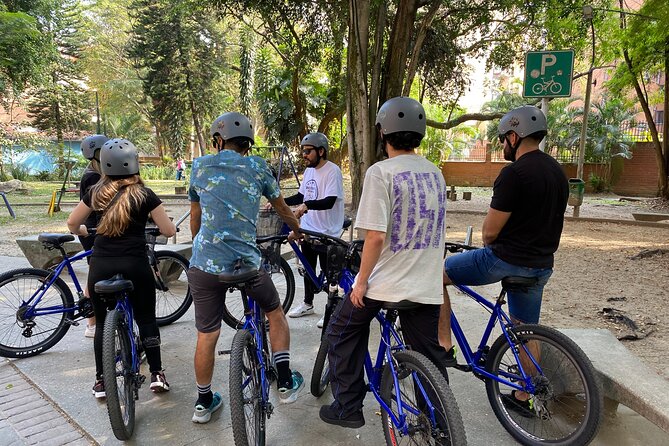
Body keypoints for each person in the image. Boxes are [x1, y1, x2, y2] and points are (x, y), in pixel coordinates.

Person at [319, 96, 452, 428]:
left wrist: (362, 281)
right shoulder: (435, 173)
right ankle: (439, 424)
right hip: (427, 285)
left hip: (388, 284)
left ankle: (348, 407)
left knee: (340, 330)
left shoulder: (381, 172)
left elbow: (375, 237)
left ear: (383, 133)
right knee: (431, 359)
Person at [439, 105, 568, 415]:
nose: (502, 146)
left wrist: (488, 244)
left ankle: (442, 345)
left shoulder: (514, 173)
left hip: (505, 260)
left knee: (435, 272)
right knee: (526, 329)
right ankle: (525, 395)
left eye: (502, 140)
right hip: (541, 266)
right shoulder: (558, 172)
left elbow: (489, 233)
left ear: (514, 135)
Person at [188, 111, 305, 424]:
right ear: (248, 145)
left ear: (218, 140)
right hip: (246, 263)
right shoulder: (257, 166)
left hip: (205, 265)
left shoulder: (199, 166)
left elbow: (195, 217)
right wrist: (296, 228)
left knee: (207, 334)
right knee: (275, 312)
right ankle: (284, 381)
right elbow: (281, 207)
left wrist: (202, 245)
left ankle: (203, 402)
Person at [67, 138, 176, 399]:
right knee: (146, 319)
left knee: (103, 323)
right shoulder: (145, 194)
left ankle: (100, 381)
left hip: (101, 265)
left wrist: (82, 230)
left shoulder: (95, 192)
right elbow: (168, 230)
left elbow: (72, 223)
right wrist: (167, 227)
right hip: (135, 265)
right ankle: (157, 374)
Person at [284, 132, 344, 327]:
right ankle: (307, 303)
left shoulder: (332, 171)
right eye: (303, 151)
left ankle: (331, 308)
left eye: (308, 151)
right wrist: (278, 202)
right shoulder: (309, 171)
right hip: (309, 229)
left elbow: (329, 201)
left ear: (321, 151)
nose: (304, 155)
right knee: (308, 269)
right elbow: (302, 196)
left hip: (327, 231)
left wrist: (306, 206)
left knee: (329, 274)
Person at [78, 134, 109, 338]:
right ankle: (91, 323)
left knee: (95, 272)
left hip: (94, 227)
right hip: (92, 229)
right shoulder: (93, 176)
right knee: (95, 273)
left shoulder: (96, 172)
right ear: (95, 154)